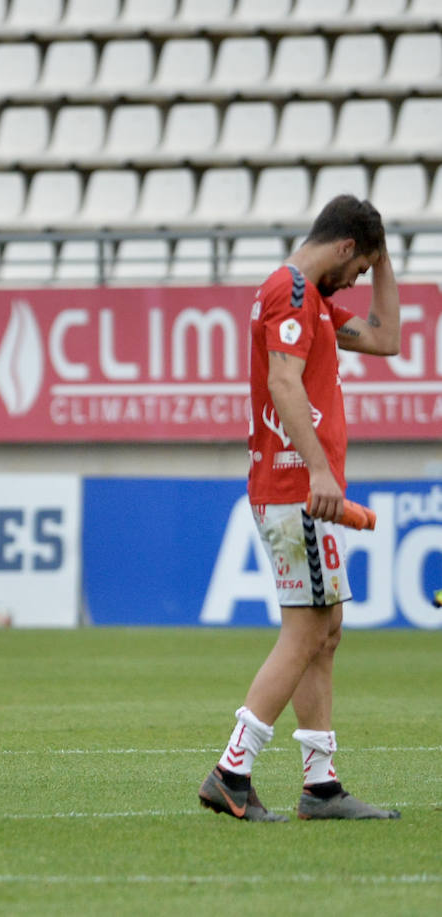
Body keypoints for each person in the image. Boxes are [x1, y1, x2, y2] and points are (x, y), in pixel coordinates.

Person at [198, 195, 401, 822]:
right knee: (308, 629)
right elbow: (285, 382)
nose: (361, 280)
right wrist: (319, 468)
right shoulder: (289, 293)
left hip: (293, 488)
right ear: (343, 249)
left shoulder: (306, 299)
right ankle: (233, 768)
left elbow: (387, 338)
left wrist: (384, 251)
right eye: (361, 268)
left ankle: (320, 784)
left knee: (327, 629)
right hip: (296, 488)